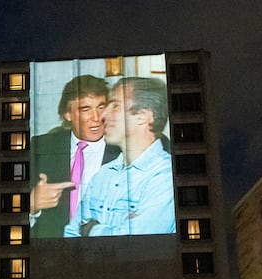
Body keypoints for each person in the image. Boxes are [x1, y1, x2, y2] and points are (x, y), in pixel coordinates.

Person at [63, 77, 175, 237]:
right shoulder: (103, 174)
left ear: (143, 116)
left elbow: (138, 242)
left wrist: (90, 229)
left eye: (115, 106)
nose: (103, 115)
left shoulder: (166, 176)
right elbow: (71, 233)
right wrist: (118, 229)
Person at [29, 75, 121, 238]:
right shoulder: (41, 147)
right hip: (53, 254)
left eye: (101, 107)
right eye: (86, 109)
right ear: (67, 114)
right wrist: (31, 205)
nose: (97, 118)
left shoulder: (123, 149)